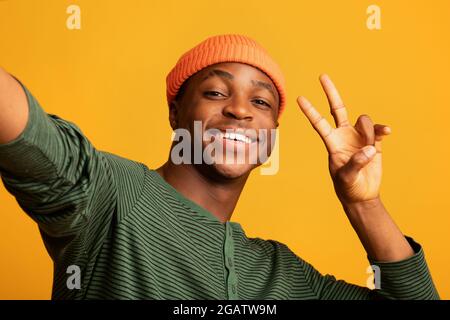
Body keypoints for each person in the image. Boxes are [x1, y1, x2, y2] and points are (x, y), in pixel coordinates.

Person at [0, 34, 439, 299]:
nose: (240, 111)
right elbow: (27, 131)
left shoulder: (279, 275)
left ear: (270, 138)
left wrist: (364, 204)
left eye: (261, 101)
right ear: (175, 113)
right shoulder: (109, 193)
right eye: (215, 93)